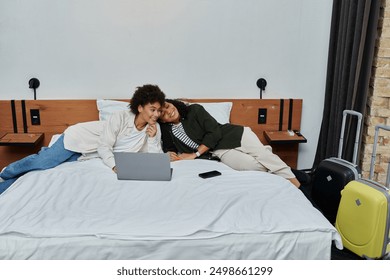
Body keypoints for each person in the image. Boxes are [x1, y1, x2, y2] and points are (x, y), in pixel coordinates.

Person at [0, 84, 165, 194]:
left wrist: (151, 139)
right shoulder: (120, 117)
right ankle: (6, 173)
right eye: (152, 109)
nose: (156, 114)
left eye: (158, 110)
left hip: (86, 154)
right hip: (79, 140)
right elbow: (104, 146)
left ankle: (2, 188)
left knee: (39, 173)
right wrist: (115, 166)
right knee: (43, 163)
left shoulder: (154, 128)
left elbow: (154, 160)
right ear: (140, 107)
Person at [158, 99, 301, 188]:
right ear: (162, 120)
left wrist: (194, 154)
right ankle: (272, 161)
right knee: (251, 166)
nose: (169, 111)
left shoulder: (194, 110)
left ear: (173, 103)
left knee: (263, 155)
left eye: (168, 106)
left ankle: (296, 182)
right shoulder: (168, 129)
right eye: (163, 113)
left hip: (234, 135)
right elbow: (170, 148)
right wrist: (170, 153)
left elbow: (214, 132)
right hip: (219, 151)